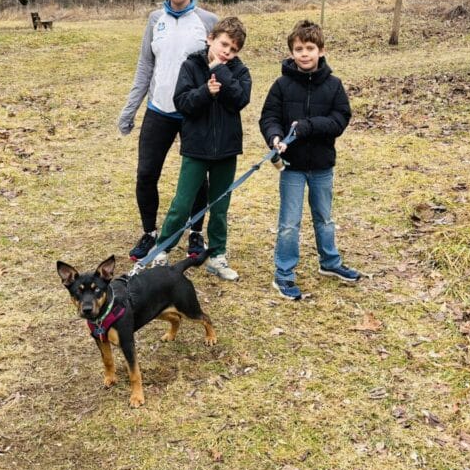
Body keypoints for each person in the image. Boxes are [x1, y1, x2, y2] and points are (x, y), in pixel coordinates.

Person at [118, 0, 216, 262]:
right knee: (146, 174)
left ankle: (196, 232)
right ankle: (149, 233)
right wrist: (130, 109)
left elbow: (220, 64)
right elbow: (145, 66)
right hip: (159, 111)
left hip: (194, 112)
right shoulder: (153, 20)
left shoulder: (209, 21)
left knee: (198, 177)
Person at [259, 20, 361, 300]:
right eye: (298, 49)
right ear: (292, 52)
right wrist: (275, 137)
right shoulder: (281, 85)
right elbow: (268, 117)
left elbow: (340, 119)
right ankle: (284, 274)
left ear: (321, 50)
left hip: (322, 167)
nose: (304, 53)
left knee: (324, 218)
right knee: (289, 222)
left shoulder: (334, 85)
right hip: (292, 167)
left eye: (310, 48)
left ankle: (330, 263)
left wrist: (308, 126)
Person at [152, 17, 251, 281]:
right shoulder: (191, 65)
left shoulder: (238, 71)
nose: (227, 51)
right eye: (224, 44)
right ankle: (162, 249)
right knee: (182, 204)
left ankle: (217, 255)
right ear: (211, 38)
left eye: (233, 49)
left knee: (219, 206)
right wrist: (206, 92)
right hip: (196, 149)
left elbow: (241, 99)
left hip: (227, 151)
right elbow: (182, 102)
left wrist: (222, 71)